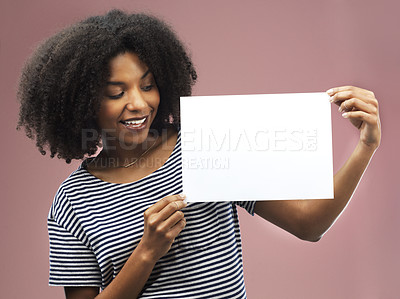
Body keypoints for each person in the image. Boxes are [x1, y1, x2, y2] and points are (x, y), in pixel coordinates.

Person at [17, 9, 381, 299]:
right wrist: (147, 252)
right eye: (116, 92)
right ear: (83, 102)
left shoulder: (205, 143)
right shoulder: (71, 204)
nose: (139, 103)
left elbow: (309, 224)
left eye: (148, 85)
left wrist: (365, 146)